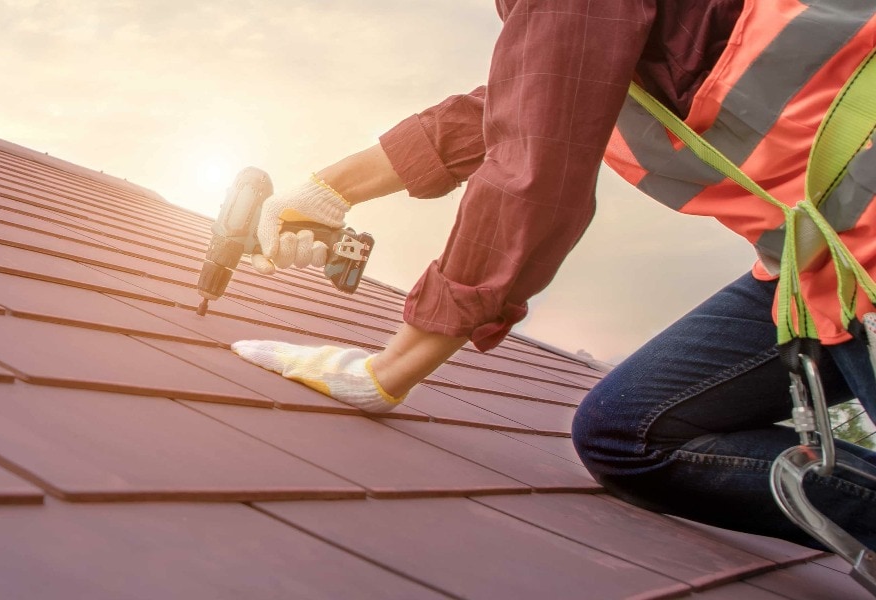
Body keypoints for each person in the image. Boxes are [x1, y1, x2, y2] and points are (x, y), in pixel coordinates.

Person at [230, 0, 876, 551]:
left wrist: (392, 368)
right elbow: (522, 102)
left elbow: (533, 172)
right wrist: (327, 191)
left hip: (860, 236)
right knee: (629, 433)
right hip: (829, 260)